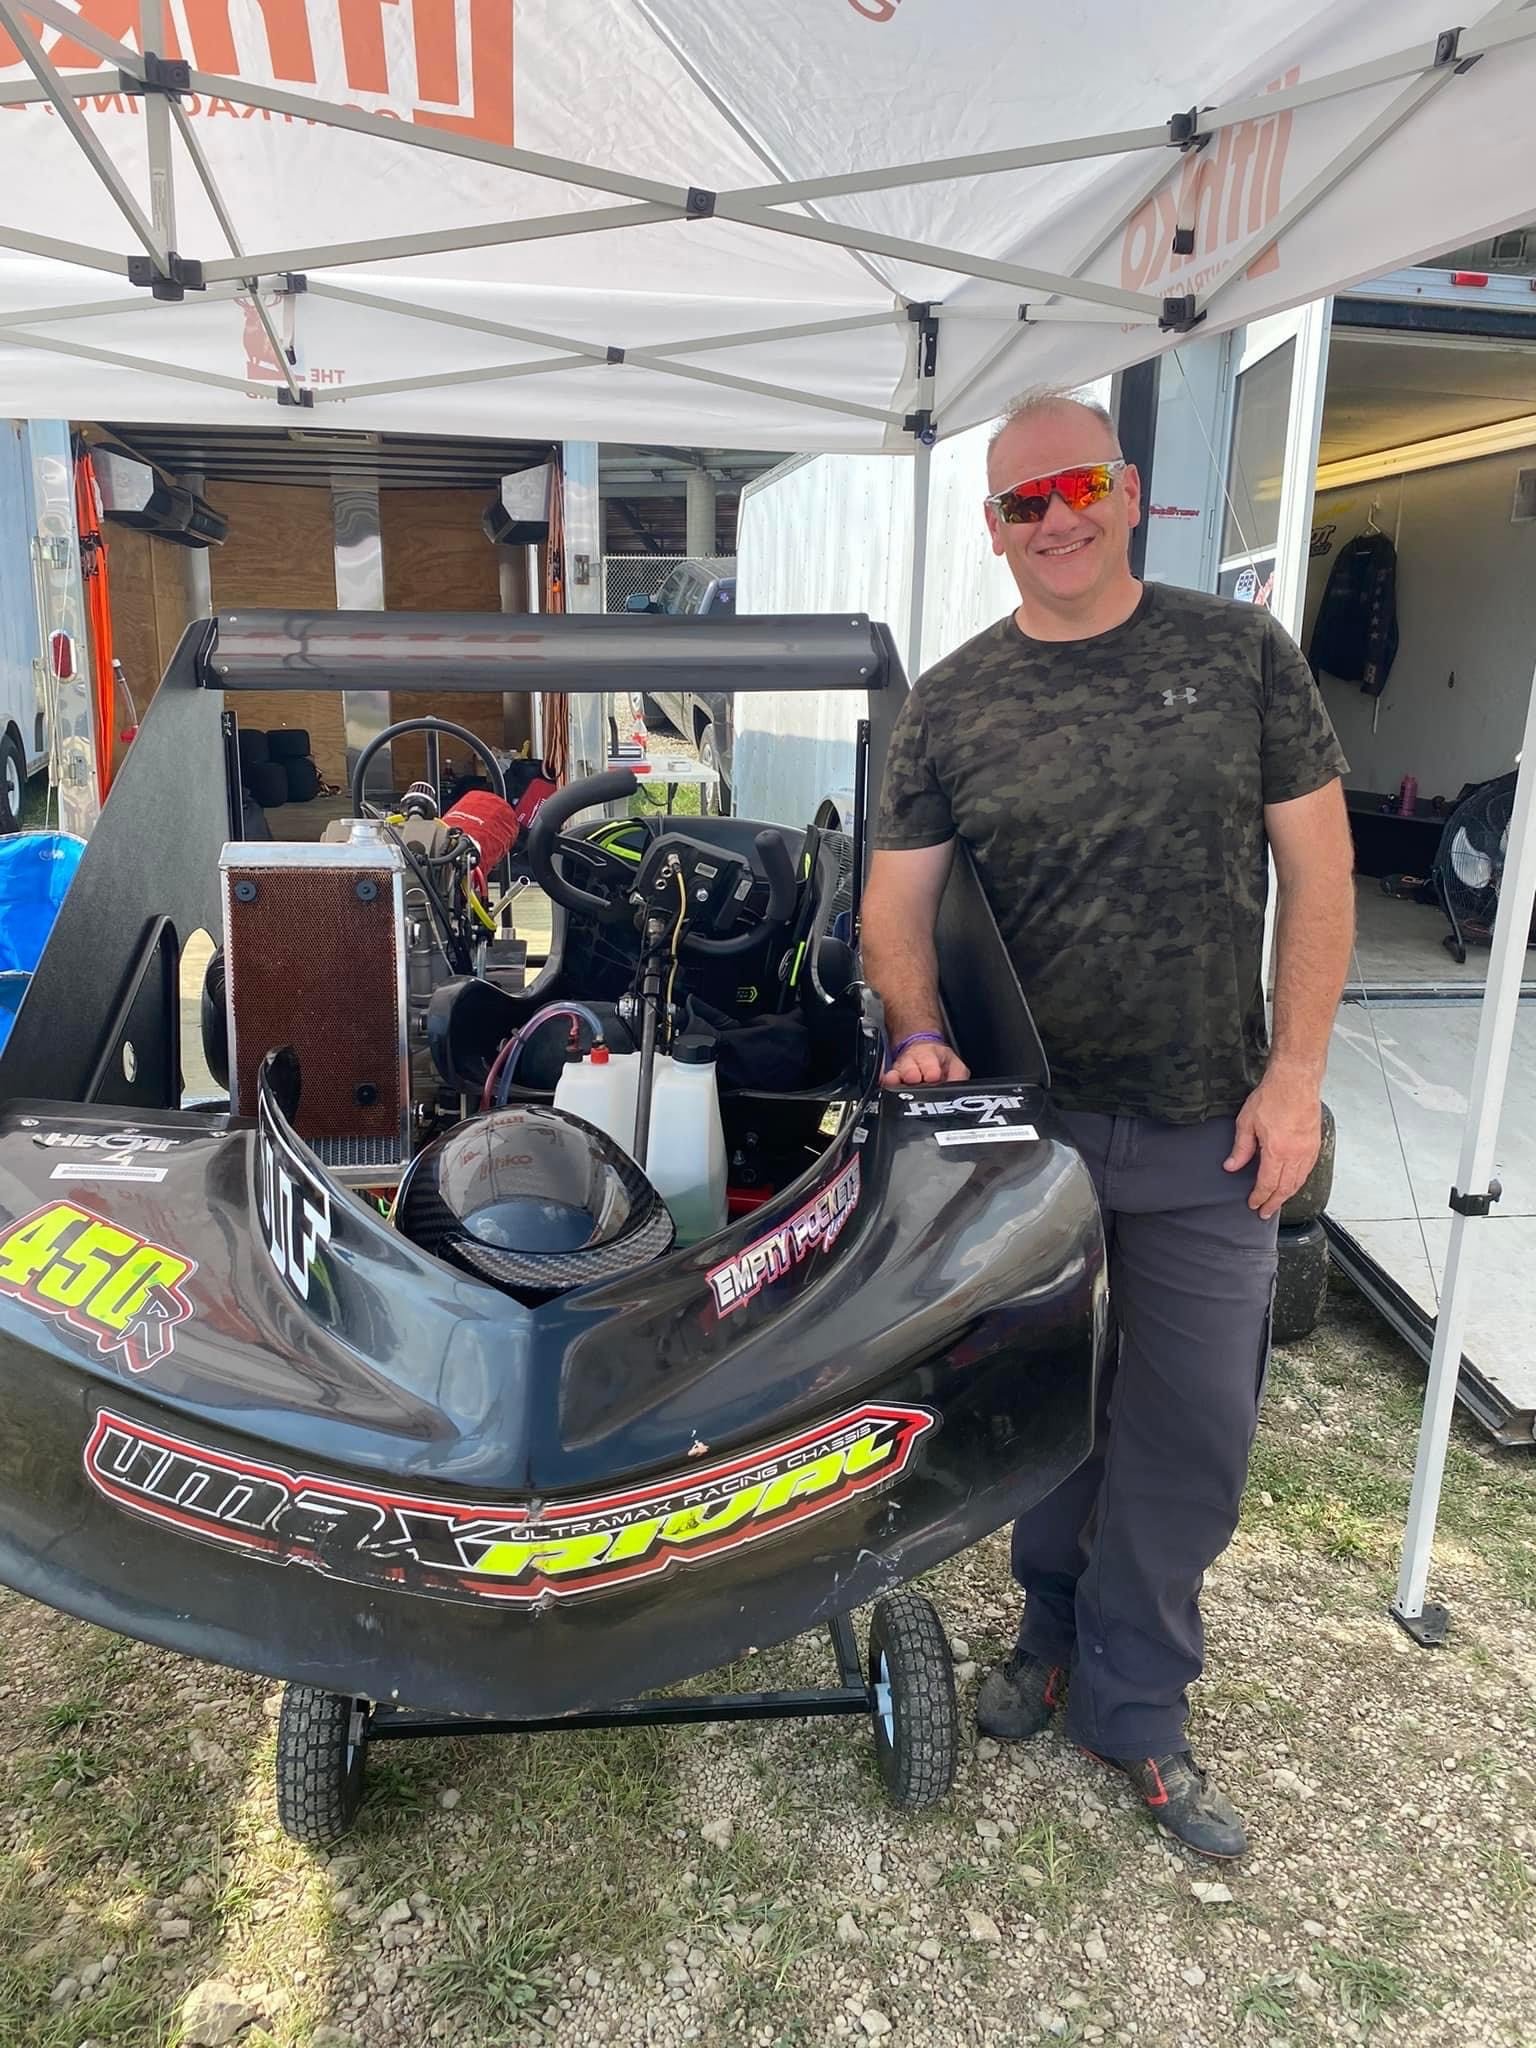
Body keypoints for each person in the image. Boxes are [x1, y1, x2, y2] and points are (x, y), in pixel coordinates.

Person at [861, 390, 1355, 1860]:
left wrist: (1296, 1078)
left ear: (1127, 490)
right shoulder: (949, 701)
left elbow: (1321, 880)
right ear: (993, 527)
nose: (1056, 517)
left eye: (1078, 486)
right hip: (1039, 1139)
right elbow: (894, 914)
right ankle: (1052, 1637)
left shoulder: (1239, 654)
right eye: (1024, 501)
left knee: (1192, 1428)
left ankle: (1137, 1710)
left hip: (1217, 1125)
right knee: (1051, 1416)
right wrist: (924, 1029)